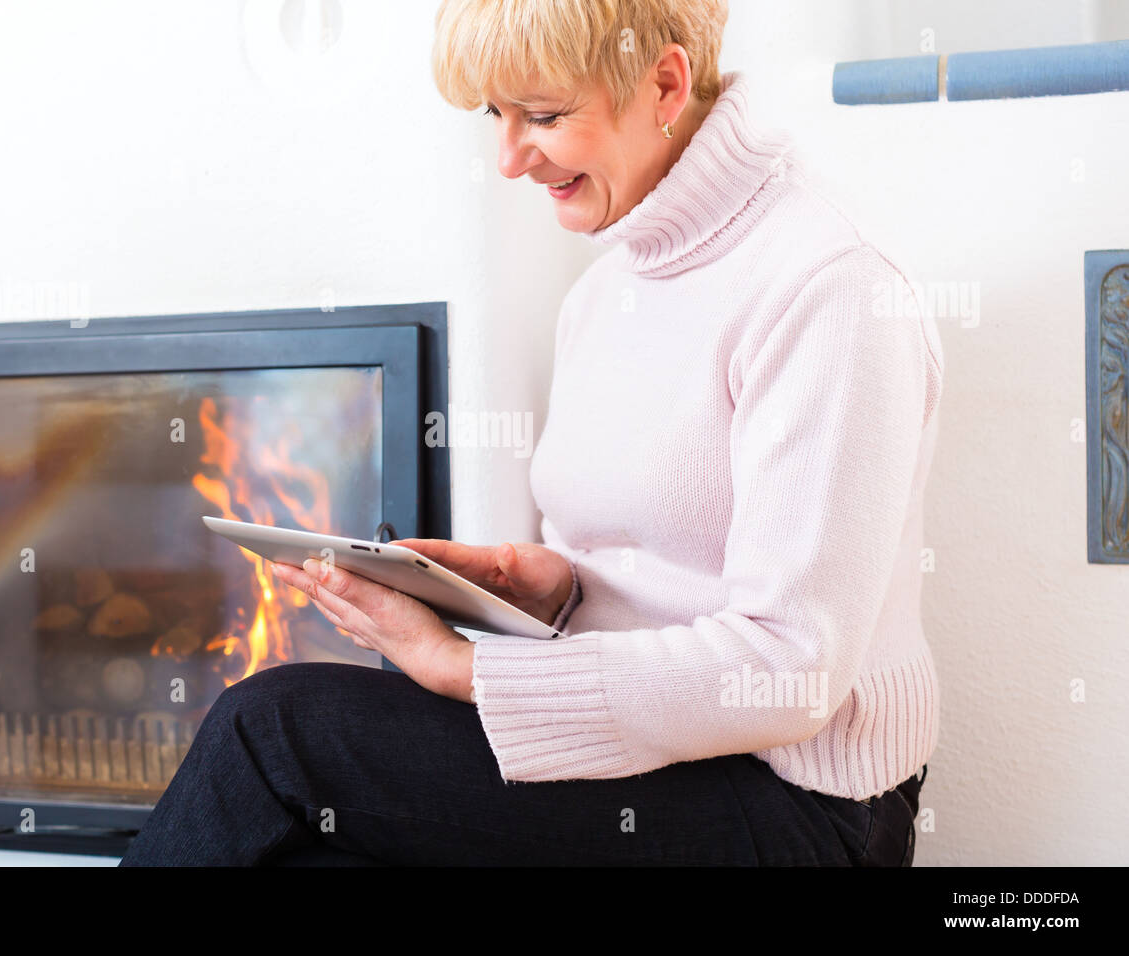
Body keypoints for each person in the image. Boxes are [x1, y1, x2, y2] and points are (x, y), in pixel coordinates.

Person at [120, 0, 942, 866]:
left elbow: (789, 667)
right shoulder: (602, 294)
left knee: (272, 727)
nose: (509, 160)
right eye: (496, 117)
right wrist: (548, 590)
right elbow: (660, 568)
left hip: (800, 805)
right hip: (653, 761)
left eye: (544, 116)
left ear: (665, 82)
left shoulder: (829, 288)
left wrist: (463, 669)